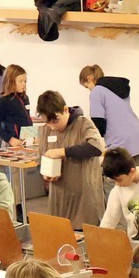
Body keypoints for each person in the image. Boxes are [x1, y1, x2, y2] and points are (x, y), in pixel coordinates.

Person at [36, 90, 105, 228]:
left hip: (84, 200)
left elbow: (97, 147)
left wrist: (63, 152)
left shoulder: (83, 124)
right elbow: (43, 157)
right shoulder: (45, 130)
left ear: (65, 110)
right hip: (59, 200)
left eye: (56, 121)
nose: (53, 126)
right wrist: (46, 174)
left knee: (85, 237)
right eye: (48, 122)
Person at [79, 64, 139, 163]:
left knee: (117, 172)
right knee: (136, 172)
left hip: (120, 144)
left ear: (89, 79)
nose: (89, 90)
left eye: (87, 87)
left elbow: (98, 124)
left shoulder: (96, 91)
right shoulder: (118, 88)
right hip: (137, 139)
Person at [0, 64, 33, 147]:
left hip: (25, 141)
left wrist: (31, 137)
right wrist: (9, 139)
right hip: (12, 143)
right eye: (20, 81)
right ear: (10, 81)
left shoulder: (25, 98)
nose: (24, 84)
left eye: (25, 81)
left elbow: (27, 119)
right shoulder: (3, 102)